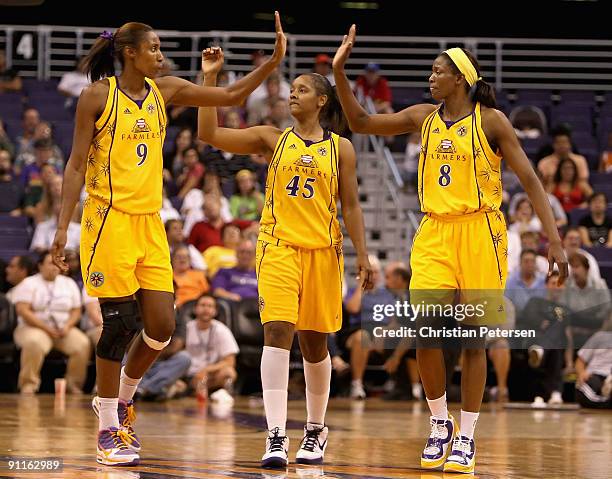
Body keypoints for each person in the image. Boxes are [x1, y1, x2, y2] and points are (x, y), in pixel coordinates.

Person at [50, 17, 287, 466]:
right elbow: (76, 165)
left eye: (161, 49)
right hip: (107, 222)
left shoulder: (168, 90)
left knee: (160, 327)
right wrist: (64, 227)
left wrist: (273, 61)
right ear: (130, 53)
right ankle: (105, 429)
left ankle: (121, 401)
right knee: (118, 325)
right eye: (154, 48)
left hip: (150, 223)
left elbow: (231, 96)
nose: (161, 55)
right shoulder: (97, 97)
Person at [333, 29, 567, 474]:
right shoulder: (424, 116)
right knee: (426, 332)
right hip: (435, 231)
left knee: (475, 339)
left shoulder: (492, 121)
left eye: (438, 70)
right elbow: (361, 123)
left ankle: (467, 435)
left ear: (460, 78)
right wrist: (341, 72)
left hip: (481, 231)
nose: (431, 76)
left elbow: (531, 180)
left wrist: (553, 239)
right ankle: (440, 423)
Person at [198, 46, 372, 468]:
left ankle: (315, 430)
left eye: (301, 90)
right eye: (291, 90)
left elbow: (350, 206)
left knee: (315, 342)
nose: (291, 95)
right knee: (277, 331)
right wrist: (209, 79)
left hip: (324, 251)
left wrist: (363, 254)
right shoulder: (271, 139)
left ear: (321, 100)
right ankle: (275, 434)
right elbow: (209, 134)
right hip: (278, 246)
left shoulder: (341, 149)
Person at [11, 251, 89, 394]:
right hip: (33, 327)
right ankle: (28, 384)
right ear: (40, 266)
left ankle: (74, 384)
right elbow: (23, 310)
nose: (54, 267)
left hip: (62, 329)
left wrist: (68, 326)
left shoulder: (69, 283)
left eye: (56, 264)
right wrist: (45, 328)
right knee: (34, 343)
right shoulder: (29, 283)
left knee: (82, 343)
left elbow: (76, 311)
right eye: (50, 263)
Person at [185, 294, 239, 397]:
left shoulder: (222, 330)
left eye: (210, 306)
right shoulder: (187, 328)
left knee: (229, 372)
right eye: (202, 305)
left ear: (215, 311)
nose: (206, 309)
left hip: (210, 375)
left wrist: (206, 370)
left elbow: (230, 362)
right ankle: (191, 389)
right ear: (195, 309)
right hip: (190, 375)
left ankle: (198, 391)